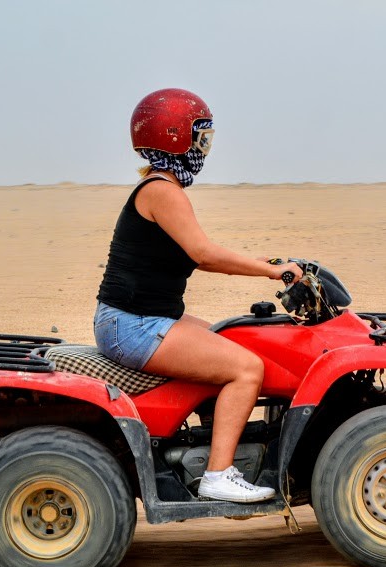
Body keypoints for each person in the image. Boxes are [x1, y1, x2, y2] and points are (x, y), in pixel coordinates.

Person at [94, 88, 303, 503]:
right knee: (246, 369)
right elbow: (203, 255)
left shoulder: (161, 189)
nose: (203, 148)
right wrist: (270, 271)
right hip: (134, 326)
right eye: (199, 137)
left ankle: (210, 448)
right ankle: (218, 474)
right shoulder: (162, 192)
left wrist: (263, 260)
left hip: (138, 318)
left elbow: (199, 247)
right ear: (176, 137)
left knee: (232, 339)